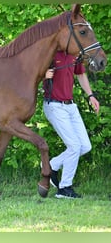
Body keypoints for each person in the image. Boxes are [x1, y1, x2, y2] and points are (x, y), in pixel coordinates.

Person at [43, 51, 100, 199]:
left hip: (71, 106)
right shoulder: (50, 53)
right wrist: (43, 75)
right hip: (54, 105)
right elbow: (29, 72)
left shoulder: (75, 54)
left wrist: (91, 95)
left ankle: (51, 165)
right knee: (74, 146)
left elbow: (81, 74)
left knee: (85, 146)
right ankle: (64, 188)